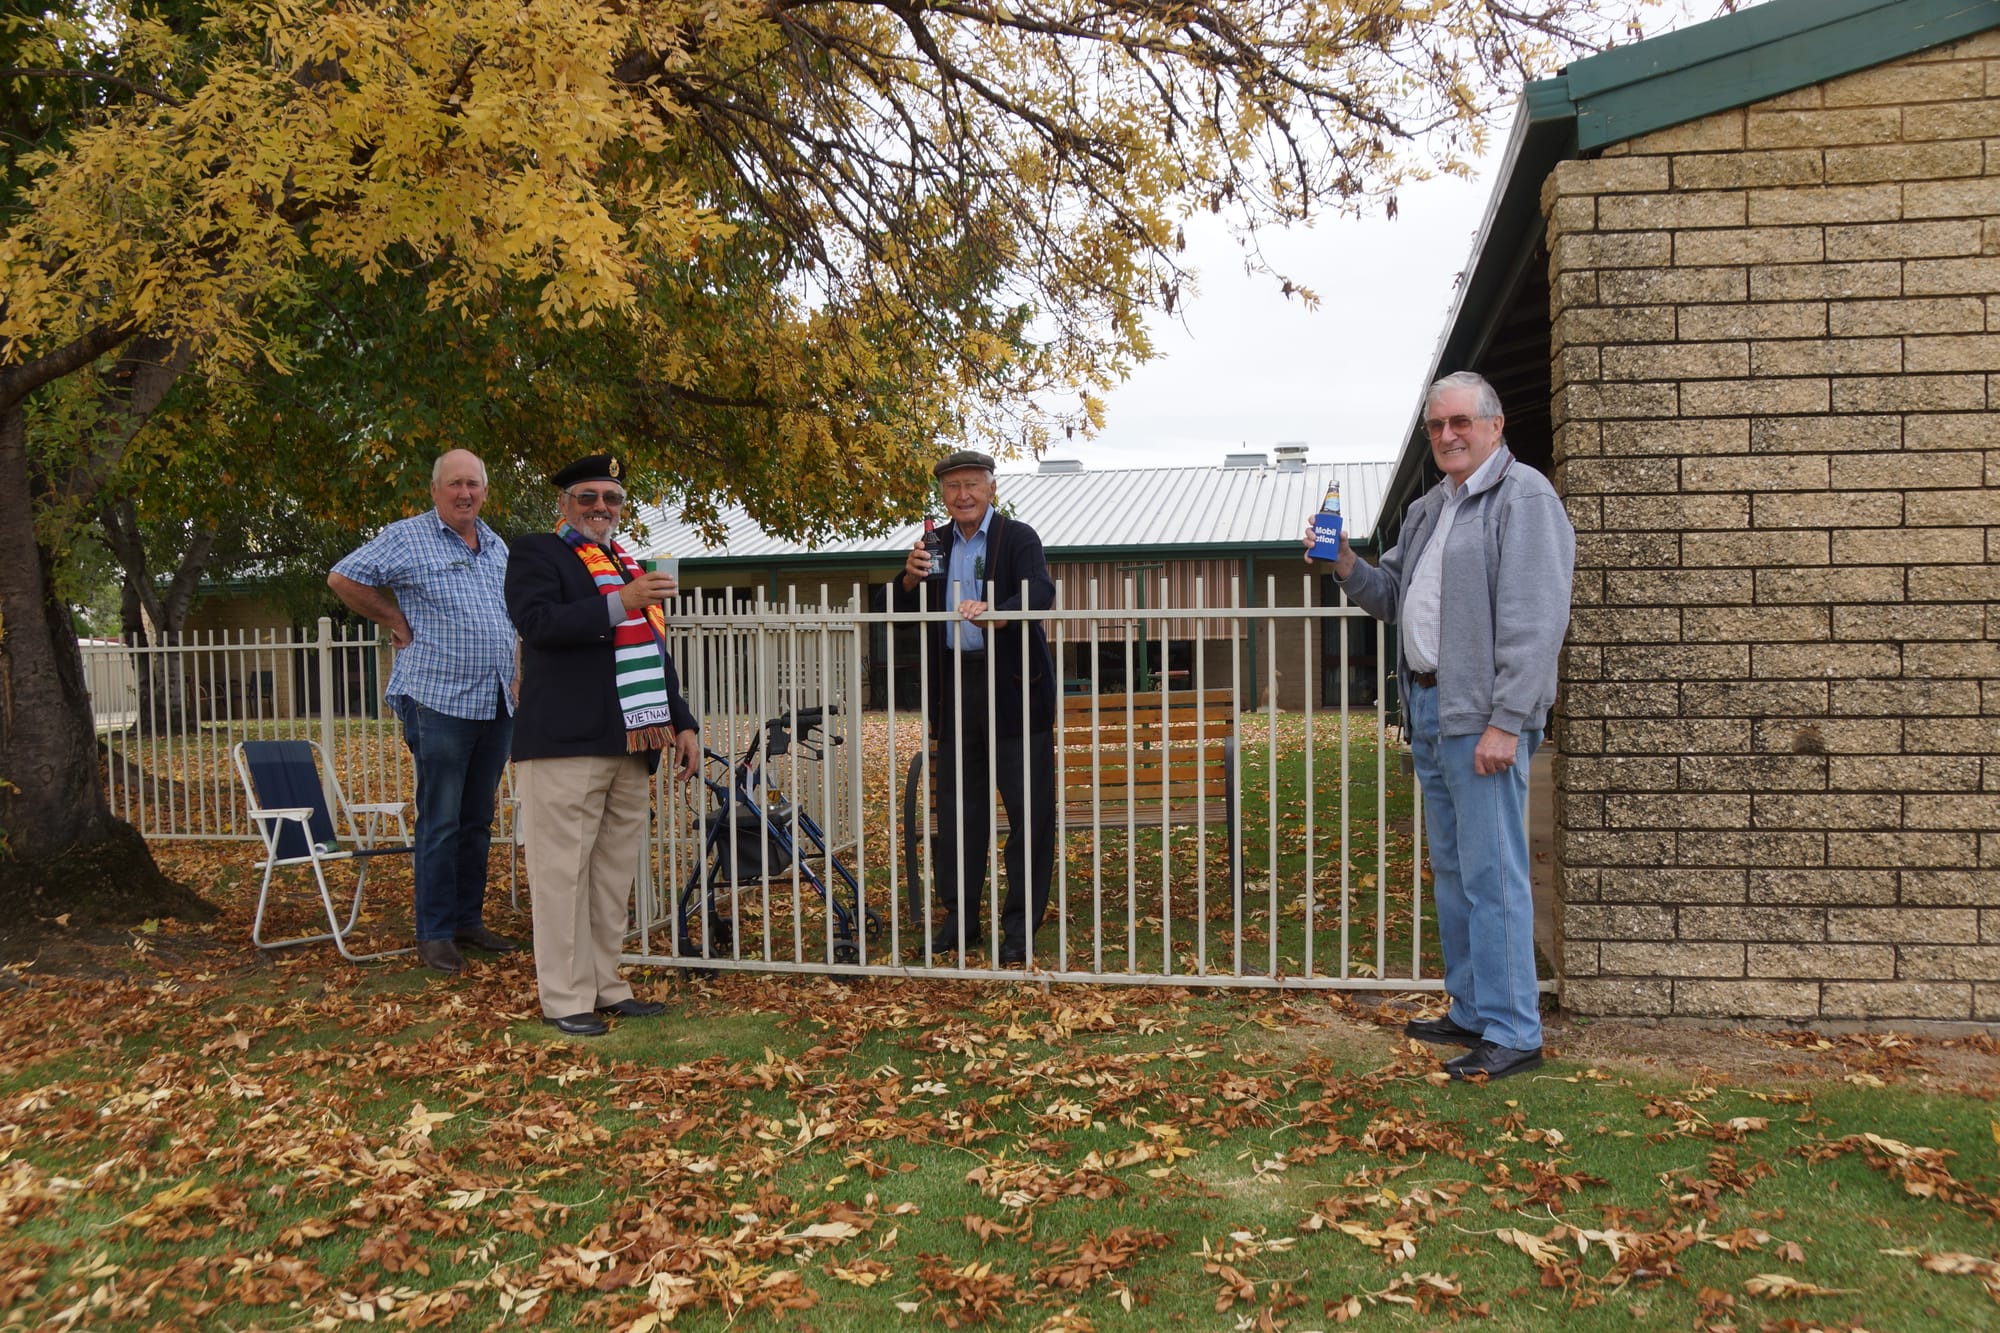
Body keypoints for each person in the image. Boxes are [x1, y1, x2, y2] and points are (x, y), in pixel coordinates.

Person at [1305, 371, 1574, 1081]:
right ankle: (1474, 1008)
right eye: (1436, 426)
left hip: (1482, 718)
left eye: (1460, 422)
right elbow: (1391, 595)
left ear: (1495, 424)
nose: (1448, 435)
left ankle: (1515, 1029)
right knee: (1455, 873)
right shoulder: (1431, 508)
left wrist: (1507, 722)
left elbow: (1536, 622)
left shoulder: (1525, 499)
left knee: (1494, 875)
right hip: (1427, 710)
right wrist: (1344, 564)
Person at [505, 454, 700, 1037]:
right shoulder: (539, 552)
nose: (600, 508)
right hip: (564, 743)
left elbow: (650, 653)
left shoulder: (623, 562)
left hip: (630, 741)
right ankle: (564, 998)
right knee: (561, 874)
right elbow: (538, 623)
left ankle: (605, 985)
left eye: (611, 498)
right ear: (564, 502)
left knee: (613, 874)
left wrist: (682, 722)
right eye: (587, 496)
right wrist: (624, 602)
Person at [329, 449, 519, 973]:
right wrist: (392, 616)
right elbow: (343, 577)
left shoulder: (497, 545)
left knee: (478, 818)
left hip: (495, 698)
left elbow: (506, 618)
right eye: (455, 484)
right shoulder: (408, 536)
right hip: (438, 699)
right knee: (440, 819)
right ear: (435, 490)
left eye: (474, 485)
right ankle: (434, 932)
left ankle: (466, 920)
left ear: (485, 491)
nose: (465, 493)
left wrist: (517, 668)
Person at [893, 450, 1057, 966]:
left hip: (1013, 689)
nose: (962, 495)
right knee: (959, 816)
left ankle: (1019, 928)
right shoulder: (933, 542)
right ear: (943, 493)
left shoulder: (1018, 537)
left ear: (991, 487)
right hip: (956, 687)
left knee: (1028, 817)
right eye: (952, 487)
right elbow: (895, 611)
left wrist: (998, 613)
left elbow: (1041, 594)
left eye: (972, 485)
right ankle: (959, 921)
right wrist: (908, 580)